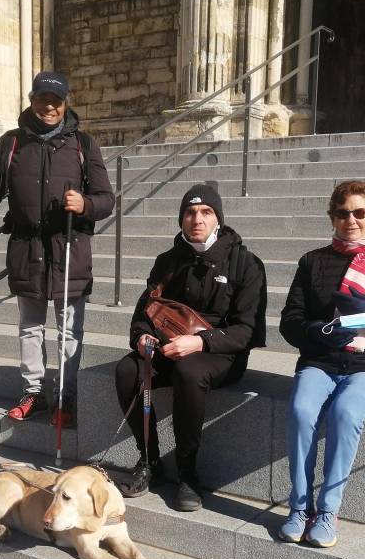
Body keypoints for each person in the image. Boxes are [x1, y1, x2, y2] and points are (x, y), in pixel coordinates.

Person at [0, 72, 113, 428]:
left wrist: (86, 204)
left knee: (70, 331)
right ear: (32, 99)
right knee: (30, 327)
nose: (49, 106)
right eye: (43, 98)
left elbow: (107, 201)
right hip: (26, 251)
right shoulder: (10, 144)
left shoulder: (84, 144)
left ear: (65, 103)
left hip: (68, 251)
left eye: (56, 100)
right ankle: (34, 392)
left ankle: (66, 397)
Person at [278, 180, 365, 547]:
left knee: (345, 412)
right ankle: (299, 508)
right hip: (322, 360)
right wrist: (319, 331)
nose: (351, 220)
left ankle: (328, 511)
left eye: (359, 212)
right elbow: (290, 322)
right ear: (332, 217)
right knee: (300, 409)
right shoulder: (312, 261)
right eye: (342, 213)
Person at [114, 184, 267, 512]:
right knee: (127, 370)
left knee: (189, 370)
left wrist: (200, 341)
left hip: (220, 352)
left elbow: (247, 330)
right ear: (181, 219)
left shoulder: (246, 263)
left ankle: (187, 473)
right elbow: (146, 309)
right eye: (190, 212)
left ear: (218, 219)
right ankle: (150, 460)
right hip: (169, 345)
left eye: (206, 212)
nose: (197, 218)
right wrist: (142, 337)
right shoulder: (167, 261)